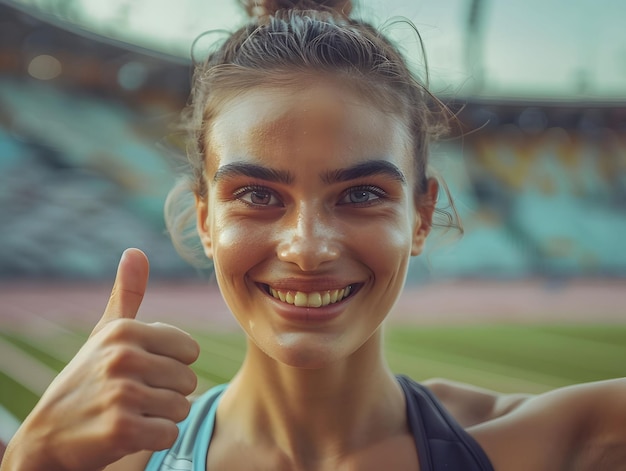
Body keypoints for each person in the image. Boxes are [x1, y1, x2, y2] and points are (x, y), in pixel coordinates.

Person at [2, 1, 625, 470]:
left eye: (360, 194)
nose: (306, 246)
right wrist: (32, 460)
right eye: (256, 195)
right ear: (204, 220)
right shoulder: (113, 466)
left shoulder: (565, 442)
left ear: (423, 215)